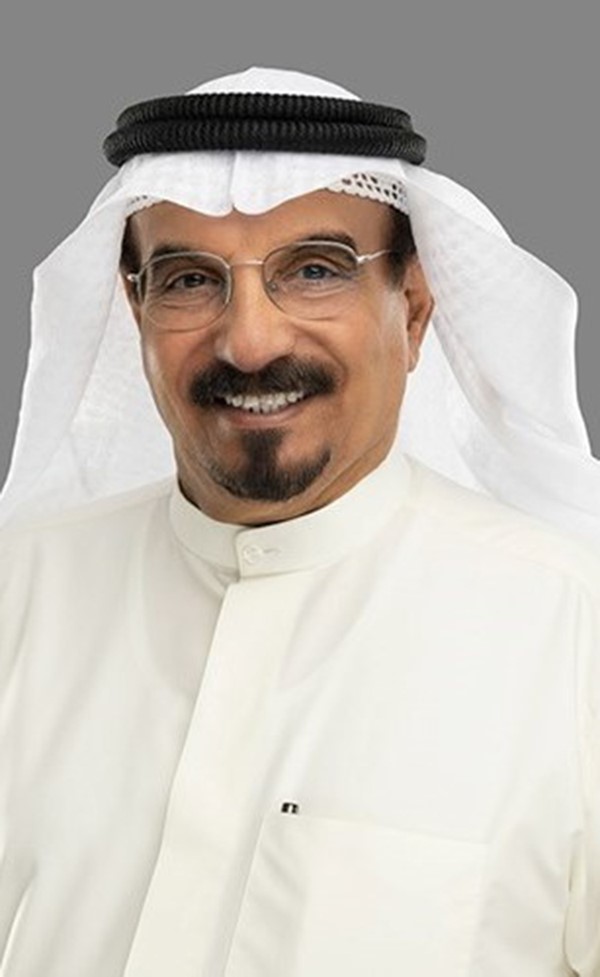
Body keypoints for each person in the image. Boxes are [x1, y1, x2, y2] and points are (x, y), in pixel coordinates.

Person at [0, 66, 599, 977]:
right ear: (135, 309)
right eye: (189, 279)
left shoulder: (573, 638)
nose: (249, 341)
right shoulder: (16, 594)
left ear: (413, 309)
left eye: (315, 271)